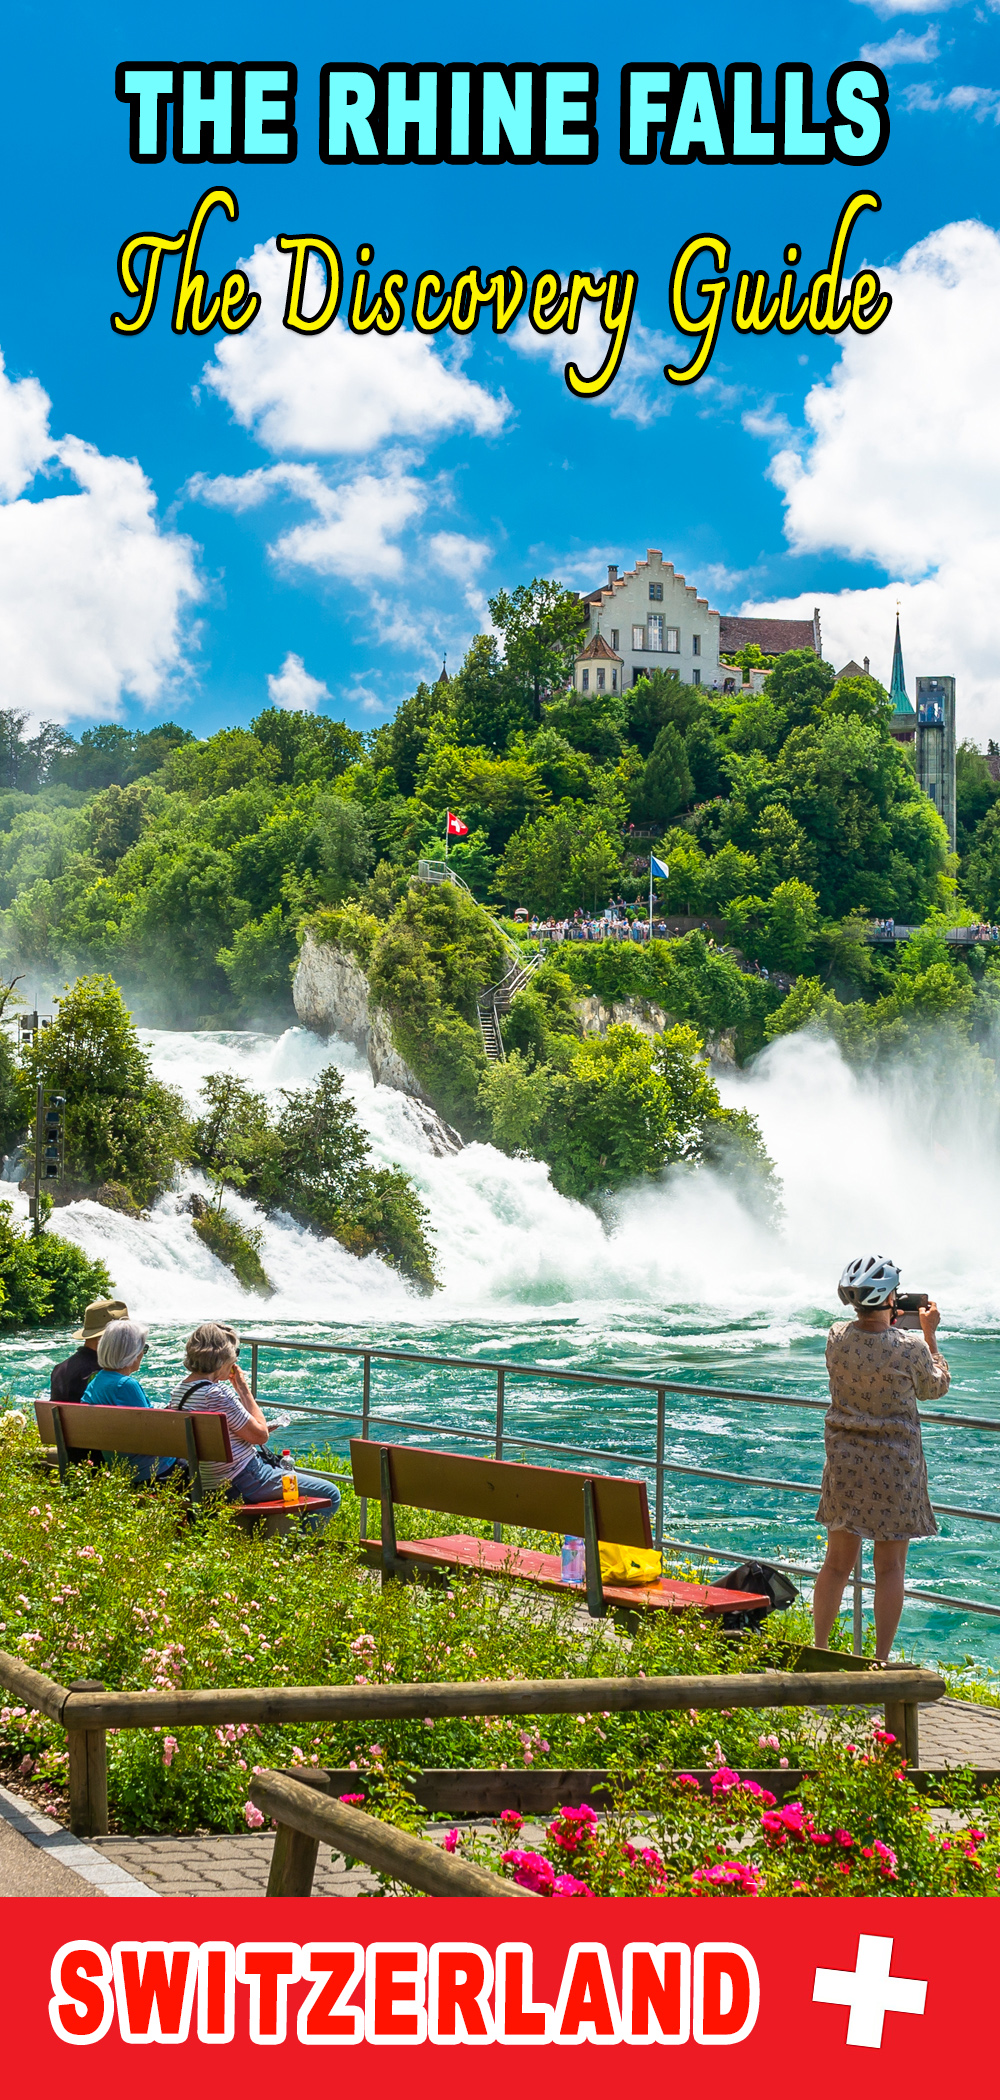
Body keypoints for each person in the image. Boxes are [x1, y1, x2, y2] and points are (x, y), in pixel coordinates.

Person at [813, 1253, 948, 1663]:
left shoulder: (836, 1336)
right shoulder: (910, 1347)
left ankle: (819, 1653)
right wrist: (929, 1333)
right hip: (895, 1467)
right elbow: (934, 1387)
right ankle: (880, 1660)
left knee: (836, 1564)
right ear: (891, 1299)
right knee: (888, 1568)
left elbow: (867, 1345)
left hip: (845, 1462)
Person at [169, 1322, 342, 1532]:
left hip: (206, 1479)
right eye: (236, 1353)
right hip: (244, 1479)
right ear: (222, 1357)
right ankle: (300, 1553)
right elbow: (260, 1436)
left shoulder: (180, 1391)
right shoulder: (216, 1394)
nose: (236, 1359)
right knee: (330, 1493)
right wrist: (243, 1390)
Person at [82, 1319, 177, 1485]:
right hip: (151, 1470)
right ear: (131, 1353)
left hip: (120, 1467)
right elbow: (153, 1433)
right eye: (143, 1348)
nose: (142, 1354)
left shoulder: (96, 1381)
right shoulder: (125, 1385)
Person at [49, 1296, 129, 1467]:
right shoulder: (103, 1375)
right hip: (102, 1462)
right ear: (107, 1338)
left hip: (71, 1457)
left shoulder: (60, 1368)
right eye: (124, 1335)